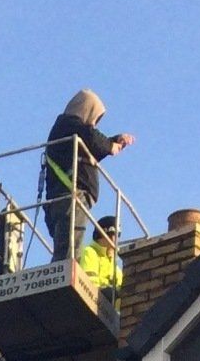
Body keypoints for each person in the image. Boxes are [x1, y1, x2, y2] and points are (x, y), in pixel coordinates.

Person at [41, 89, 133, 260]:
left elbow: (90, 146)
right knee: (68, 251)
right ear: (87, 108)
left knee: (69, 246)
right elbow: (90, 136)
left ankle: (64, 272)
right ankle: (64, 277)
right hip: (71, 197)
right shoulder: (69, 123)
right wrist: (110, 146)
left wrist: (113, 141)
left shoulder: (70, 130)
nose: (94, 124)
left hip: (66, 197)